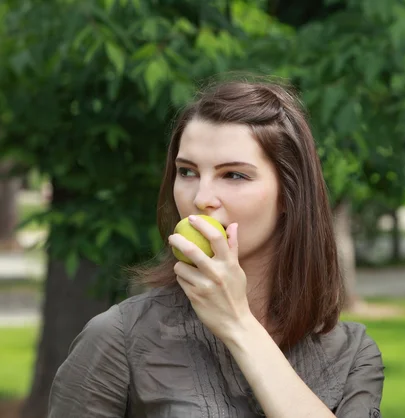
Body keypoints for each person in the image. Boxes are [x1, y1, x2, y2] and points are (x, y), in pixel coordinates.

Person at [47, 76, 385, 417]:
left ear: (289, 195)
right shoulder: (119, 338)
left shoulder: (351, 355)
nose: (201, 198)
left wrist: (239, 324)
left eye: (234, 175)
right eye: (187, 172)